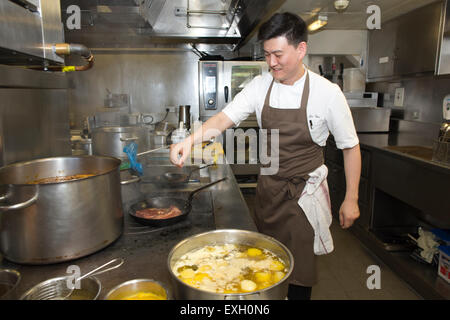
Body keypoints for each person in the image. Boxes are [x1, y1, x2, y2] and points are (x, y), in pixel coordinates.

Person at [169, 12, 361, 300]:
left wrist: (351, 198)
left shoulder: (327, 94)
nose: (271, 62)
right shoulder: (261, 86)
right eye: (267, 54)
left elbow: (350, 146)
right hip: (268, 193)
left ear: (300, 50)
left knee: (297, 277)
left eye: (278, 54)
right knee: (261, 267)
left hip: (302, 199)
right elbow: (224, 118)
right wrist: (190, 140)